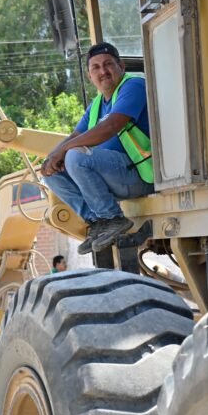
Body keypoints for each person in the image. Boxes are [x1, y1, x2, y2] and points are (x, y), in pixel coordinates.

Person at [40, 42, 154, 255]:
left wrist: (64, 152)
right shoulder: (96, 105)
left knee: (75, 156)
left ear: (121, 66)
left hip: (140, 176)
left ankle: (112, 218)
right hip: (116, 179)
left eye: (108, 64)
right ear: (89, 75)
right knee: (52, 172)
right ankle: (97, 222)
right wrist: (51, 158)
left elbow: (111, 126)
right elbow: (75, 135)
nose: (103, 71)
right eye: (96, 67)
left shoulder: (133, 86)